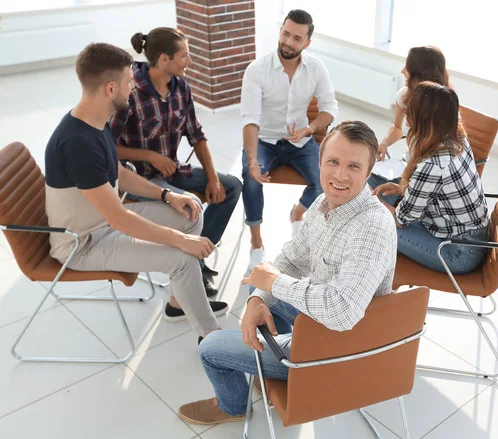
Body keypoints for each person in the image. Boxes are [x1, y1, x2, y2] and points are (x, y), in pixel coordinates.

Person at [177, 121, 397, 426]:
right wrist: (258, 298)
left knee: (210, 347)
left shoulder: (372, 226)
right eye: (333, 162)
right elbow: (293, 259)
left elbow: (342, 312)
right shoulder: (323, 202)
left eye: (353, 166)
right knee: (262, 303)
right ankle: (266, 366)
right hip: (316, 323)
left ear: (369, 171)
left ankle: (233, 406)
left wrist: (274, 284)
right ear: (319, 162)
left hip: (337, 349)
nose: (340, 175)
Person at [45, 42, 228, 346]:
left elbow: (120, 175)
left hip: (102, 225)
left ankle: (178, 302)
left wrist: (168, 197)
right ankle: (214, 343)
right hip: (84, 243)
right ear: (110, 88)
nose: (133, 87)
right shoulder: (77, 144)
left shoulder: (94, 121)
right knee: (180, 259)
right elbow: (118, 218)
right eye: (130, 82)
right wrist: (182, 241)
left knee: (190, 209)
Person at [109, 27, 243, 304]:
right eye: (185, 56)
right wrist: (149, 156)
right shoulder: (130, 90)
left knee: (231, 186)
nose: (190, 61)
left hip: (173, 172)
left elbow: (197, 135)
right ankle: (191, 273)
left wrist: (213, 179)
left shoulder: (181, 87)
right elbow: (107, 146)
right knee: (189, 206)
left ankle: (195, 260)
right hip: (142, 180)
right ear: (163, 59)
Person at [240, 9, 338, 272]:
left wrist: (309, 128)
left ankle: (297, 213)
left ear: (306, 43)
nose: (288, 42)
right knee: (251, 177)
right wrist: (251, 160)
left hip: (299, 141)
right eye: (285, 34)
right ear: (280, 32)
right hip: (263, 140)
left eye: (296, 38)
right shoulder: (257, 70)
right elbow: (250, 119)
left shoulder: (316, 68)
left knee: (325, 182)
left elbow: (330, 108)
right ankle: (256, 244)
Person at [374, 82, 489, 274]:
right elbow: (438, 188)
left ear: (423, 116)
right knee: (380, 202)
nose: (407, 110)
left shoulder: (432, 165)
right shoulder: (458, 138)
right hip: (471, 236)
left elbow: (400, 219)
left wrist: (370, 200)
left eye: (412, 106)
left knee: (376, 222)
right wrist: (402, 189)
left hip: (457, 252)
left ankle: (372, 288)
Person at [369, 46, 450, 206]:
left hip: (424, 176)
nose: (402, 71)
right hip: (407, 167)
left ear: (420, 75)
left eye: (407, 67)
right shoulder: (404, 95)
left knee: (372, 201)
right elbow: (398, 128)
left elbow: (433, 168)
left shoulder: (445, 109)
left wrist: (405, 186)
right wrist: (384, 143)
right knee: (364, 180)